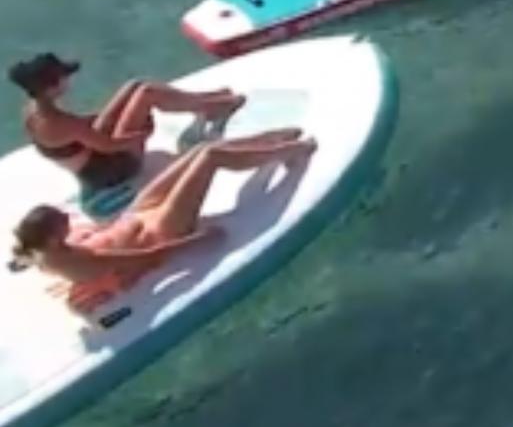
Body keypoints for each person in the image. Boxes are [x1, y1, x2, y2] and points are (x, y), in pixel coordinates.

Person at [11, 131, 316, 312]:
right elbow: (150, 255)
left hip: (137, 215)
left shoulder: (43, 250)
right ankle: (293, 150)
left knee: (198, 151)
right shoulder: (80, 261)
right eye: (62, 222)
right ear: (52, 238)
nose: (69, 219)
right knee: (210, 157)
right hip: (162, 229)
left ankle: (274, 138)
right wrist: (197, 241)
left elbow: (29, 253)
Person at [13, 53, 243, 202]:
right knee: (147, 95)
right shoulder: (58, 123)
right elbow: (109, 146)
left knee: (136, 87)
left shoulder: (33, 110)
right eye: (64, 77)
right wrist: (142, 134)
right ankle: (214, 106)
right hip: (111, 169)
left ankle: (206, 103)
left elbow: (85, 127)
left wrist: (118, 114)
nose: (68, 81)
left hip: (96, 156)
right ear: (52, 85)